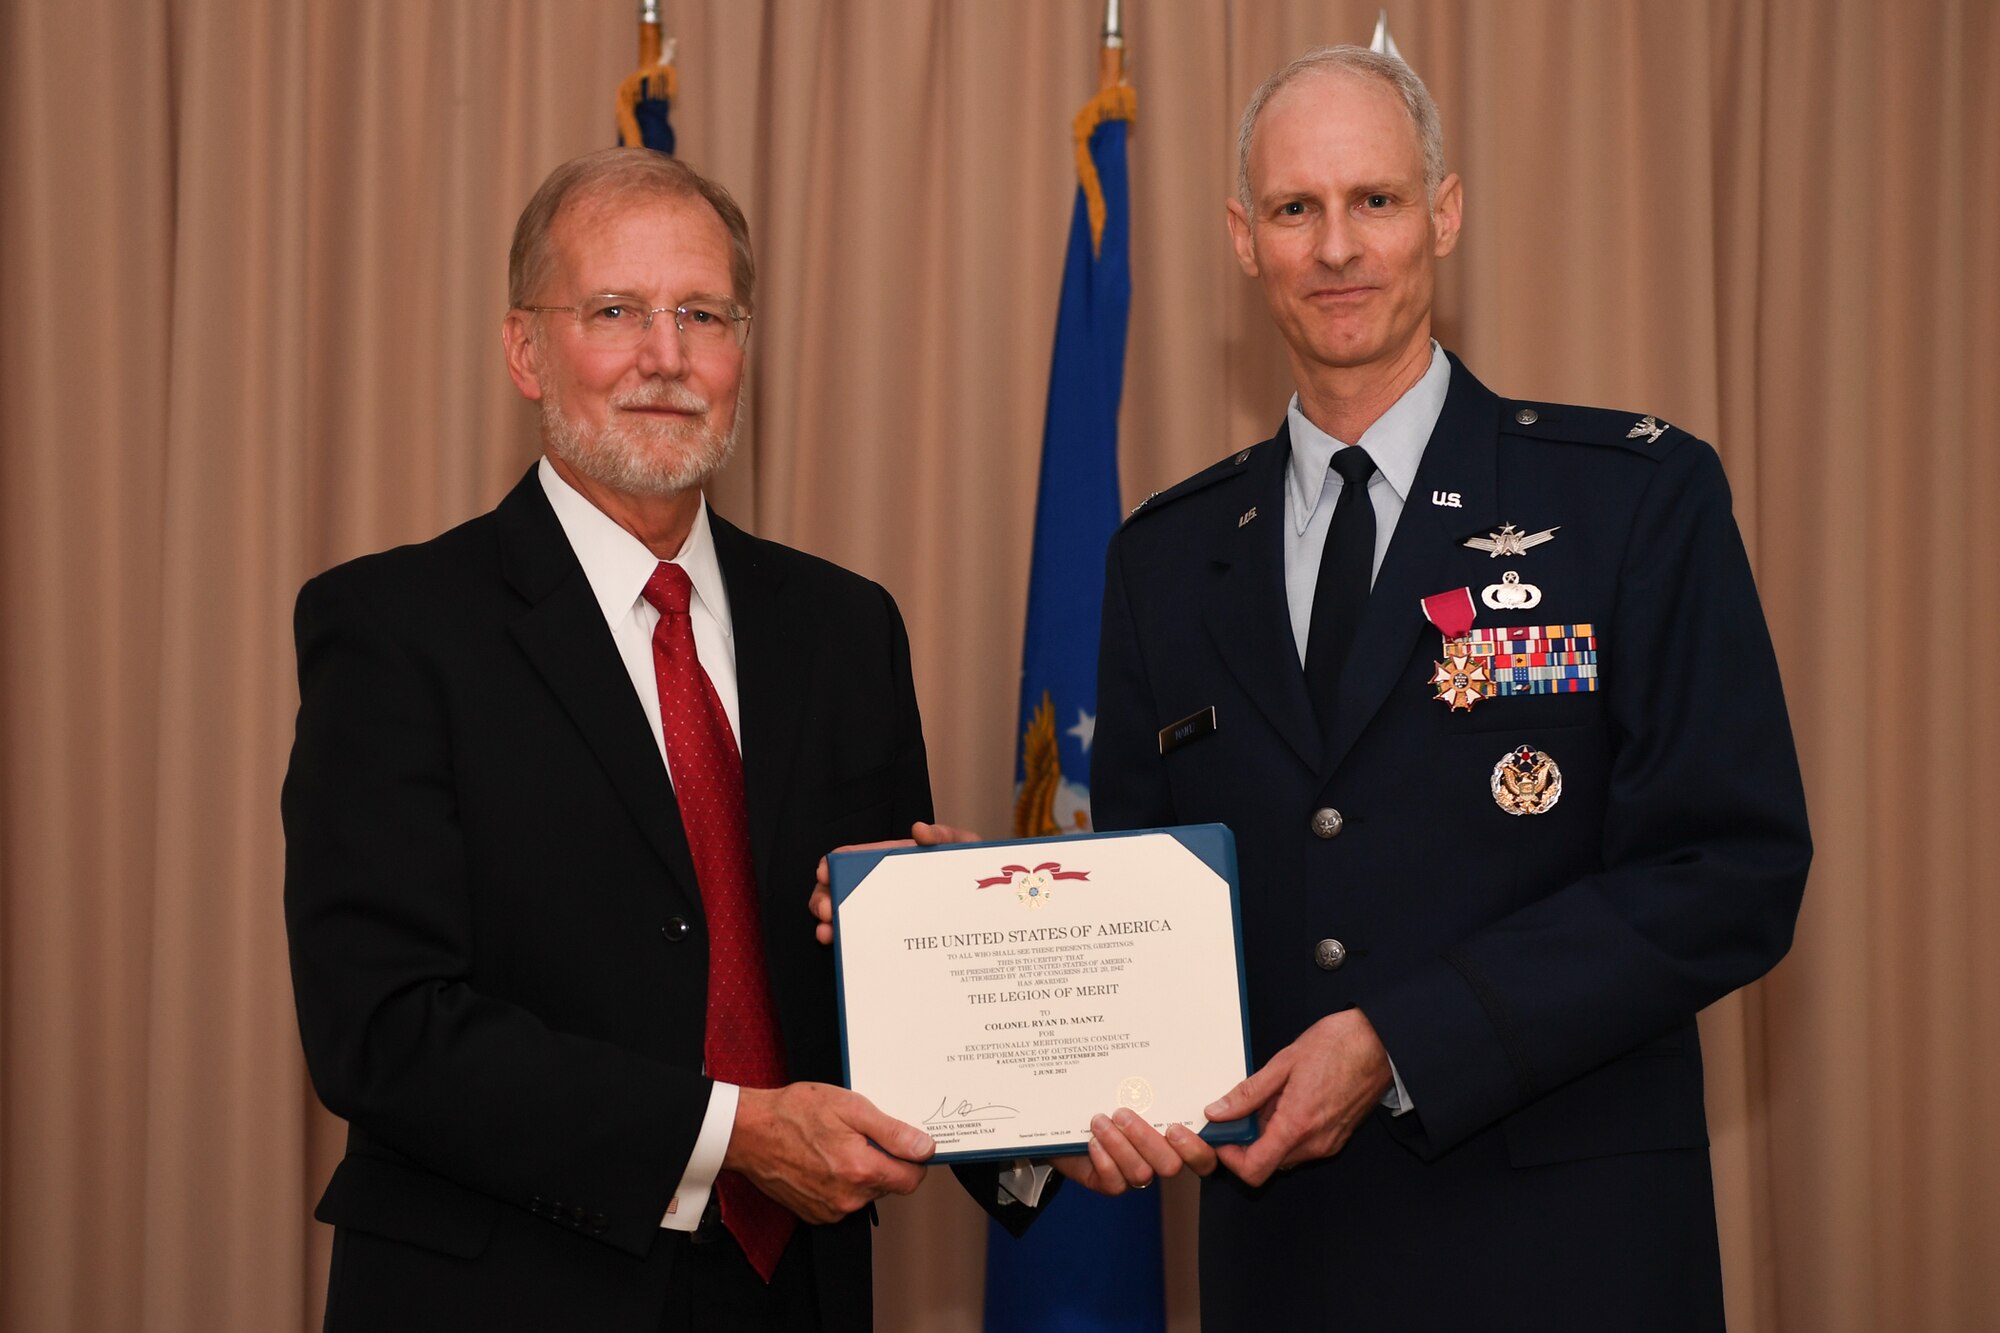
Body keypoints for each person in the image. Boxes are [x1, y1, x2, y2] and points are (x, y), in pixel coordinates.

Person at [1072, 46, 1812, 1330]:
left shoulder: (1630, 498)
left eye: (1376, 200)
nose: (1337, 247)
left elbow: (1728, 872)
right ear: (1243, 241)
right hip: (1285, 1260)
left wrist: (1406, 1038)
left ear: (1445, 213)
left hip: (1565, 1256)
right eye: (1295, 210)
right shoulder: (1163, 557)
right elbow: (1151, 900)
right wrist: (967, 921)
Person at [283, 148, 972, 1332]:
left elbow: (869, 989)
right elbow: (382, 1031)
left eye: (702, 314)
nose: (666, 356)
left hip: (793, 1297)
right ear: (525, 349)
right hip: (505, 1295)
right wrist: (732, 1134)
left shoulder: (847, 628)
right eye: (615, 311)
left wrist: (984, 1021)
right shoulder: (394, 629)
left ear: (741, 351)